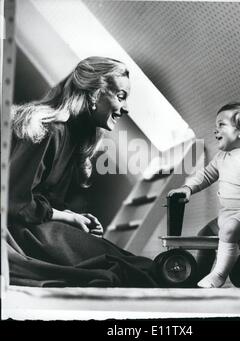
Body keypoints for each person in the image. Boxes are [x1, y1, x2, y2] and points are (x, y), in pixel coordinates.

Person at [7, 56, 158, 288]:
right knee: (124, 268)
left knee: (132, 265)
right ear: (95, 94)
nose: (125, 108)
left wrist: (73, 219)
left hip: (32, 226)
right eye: (120, 97)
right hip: (15, 232)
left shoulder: (75, 137)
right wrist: (68, 217)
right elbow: (15, 202)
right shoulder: (48, 129)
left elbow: (40, 200)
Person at [168, 103, 240, 288]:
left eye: (221, 125)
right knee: (205, 234)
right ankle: (200, 274)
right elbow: (205, 175)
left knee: (227, 231)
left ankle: (218, 274)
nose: (215, 130)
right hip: (227, 216)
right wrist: (187, 188)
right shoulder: (222, 157)